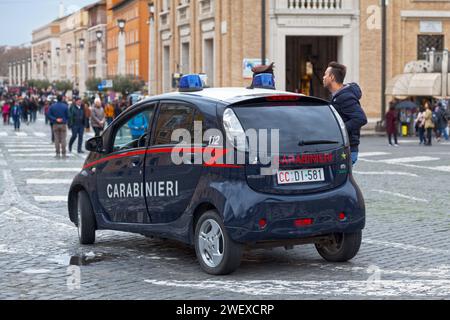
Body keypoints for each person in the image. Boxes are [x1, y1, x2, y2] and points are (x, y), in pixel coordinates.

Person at [323, 62, 368, 165]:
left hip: (347, 149)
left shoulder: (345, 97)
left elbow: (361, 118)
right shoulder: (337, 96)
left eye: (325, 74)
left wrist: (339, 129)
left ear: (332, 77)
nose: (323, 77)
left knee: (340, 180)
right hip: (340, 147)